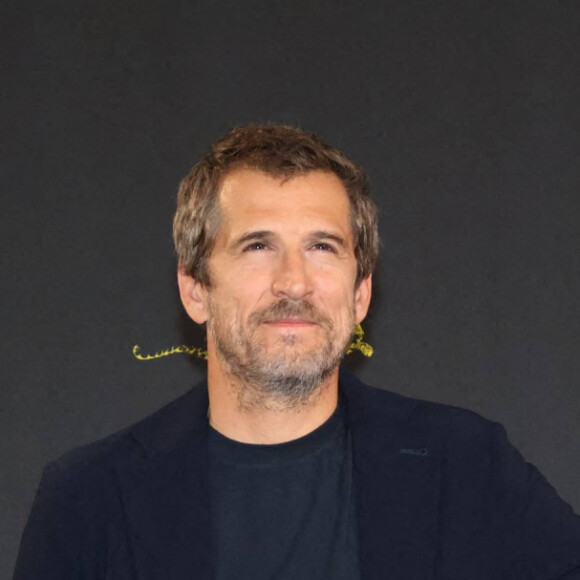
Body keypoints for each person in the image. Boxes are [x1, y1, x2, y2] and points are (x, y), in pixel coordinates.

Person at [14, 125, 580, 579]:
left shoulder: (467, 465)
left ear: (360, 293)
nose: (294, 282)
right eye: (258, 245)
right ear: (195, 289)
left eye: (322, 247)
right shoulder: (88, 499)